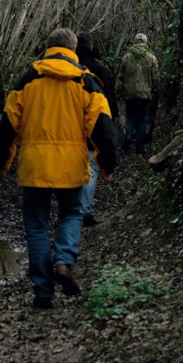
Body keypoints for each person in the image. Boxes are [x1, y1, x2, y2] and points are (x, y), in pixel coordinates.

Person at [0, 28, 117, 309]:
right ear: (73, 49)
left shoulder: (27, 80)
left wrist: (1, 161)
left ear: (47, 48)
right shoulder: (86, 82)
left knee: (36, 226)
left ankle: (43, 291)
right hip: (71, 167)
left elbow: (8, 125)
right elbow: (102, 127)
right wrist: (107, 163)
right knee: (71, 213)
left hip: (34, 166)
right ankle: (63, 260)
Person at [76, 32, 118, 228]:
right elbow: (109, 99)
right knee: (90, 167)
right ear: (92, 48)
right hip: (96, 123)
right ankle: (84, 211)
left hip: (71, 125)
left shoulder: (71, 70)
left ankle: (75, 208)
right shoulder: (101, 70)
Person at [115, 33, 160, 154]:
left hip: (130, 94)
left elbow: (120, 77)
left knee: (130, 116)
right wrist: (156, 90)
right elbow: (156, 78)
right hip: (145, 94)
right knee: (143, 119)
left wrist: (118, 92)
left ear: (134, 42)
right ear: (145, 43)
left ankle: (129, 135)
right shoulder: (151, 57)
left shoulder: (126, 57)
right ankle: (140, 147)